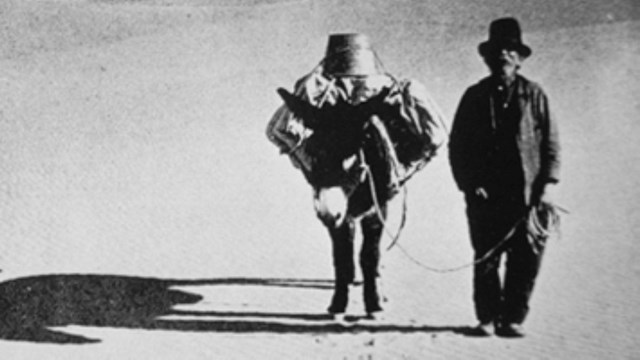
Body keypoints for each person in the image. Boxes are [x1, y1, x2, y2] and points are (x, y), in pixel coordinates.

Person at [267, 34, 446, 319]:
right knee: (340, 236)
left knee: (371, 236)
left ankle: (371, 289)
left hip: (365, 164)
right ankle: (342, 291)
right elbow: (288, 129)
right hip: (331, 171)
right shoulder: (325, 99)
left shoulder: (369, 97)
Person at [449, 18, 560, 337]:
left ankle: (512, 318)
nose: (503, 57)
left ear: (520, 58)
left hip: (528, 194)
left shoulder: (535, 95)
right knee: (486, 257)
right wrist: (470, 184)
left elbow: (551, 143)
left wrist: (548, 186)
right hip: (486, 195)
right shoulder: (474, 97)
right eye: (497, 51)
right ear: (487, 57)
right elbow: (458, 146)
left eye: (510, 51)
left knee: (526, 259)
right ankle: (486, 318)